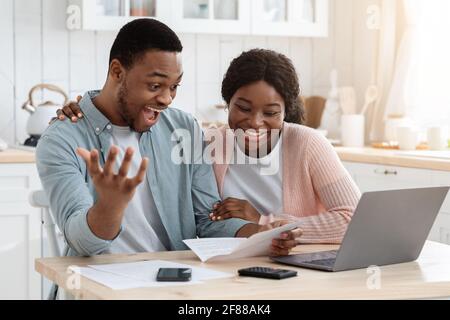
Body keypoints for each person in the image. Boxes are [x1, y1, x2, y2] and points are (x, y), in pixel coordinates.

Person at [58, 48, 361, 256]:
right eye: (242, 108)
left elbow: (354, 220)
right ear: (226, 103)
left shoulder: (307, 144)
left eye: (271, 112)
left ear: (286, 111)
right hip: (236, 271)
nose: (255, 123)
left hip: (298, 269)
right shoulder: (207, 143)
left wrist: (267, 222)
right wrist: (84, 110)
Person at [36, 18, 267, 258]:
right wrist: (109, 207)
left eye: (174, 86)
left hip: (173, 280)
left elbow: (209, 220)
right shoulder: (62, 139)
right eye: (155, 85)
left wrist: (262, 234)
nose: (167, 99)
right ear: (117, 72)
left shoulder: (183, 127)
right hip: (98, 286)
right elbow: (81, 243)